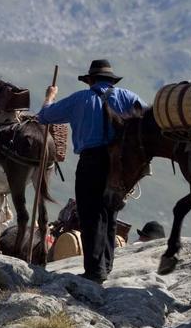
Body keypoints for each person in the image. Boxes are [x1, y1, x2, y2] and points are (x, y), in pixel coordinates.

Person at [37, 59, 147, 283]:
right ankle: (106, 265)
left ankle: (94, 271)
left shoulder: (80, 99)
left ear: (91, 80)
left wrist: (49, 97)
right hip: (119, 164)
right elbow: (147, 119)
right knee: (110, 213)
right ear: (110, 80)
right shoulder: (127, 97)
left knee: (90, 215)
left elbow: (45, 116)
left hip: (91, 161)